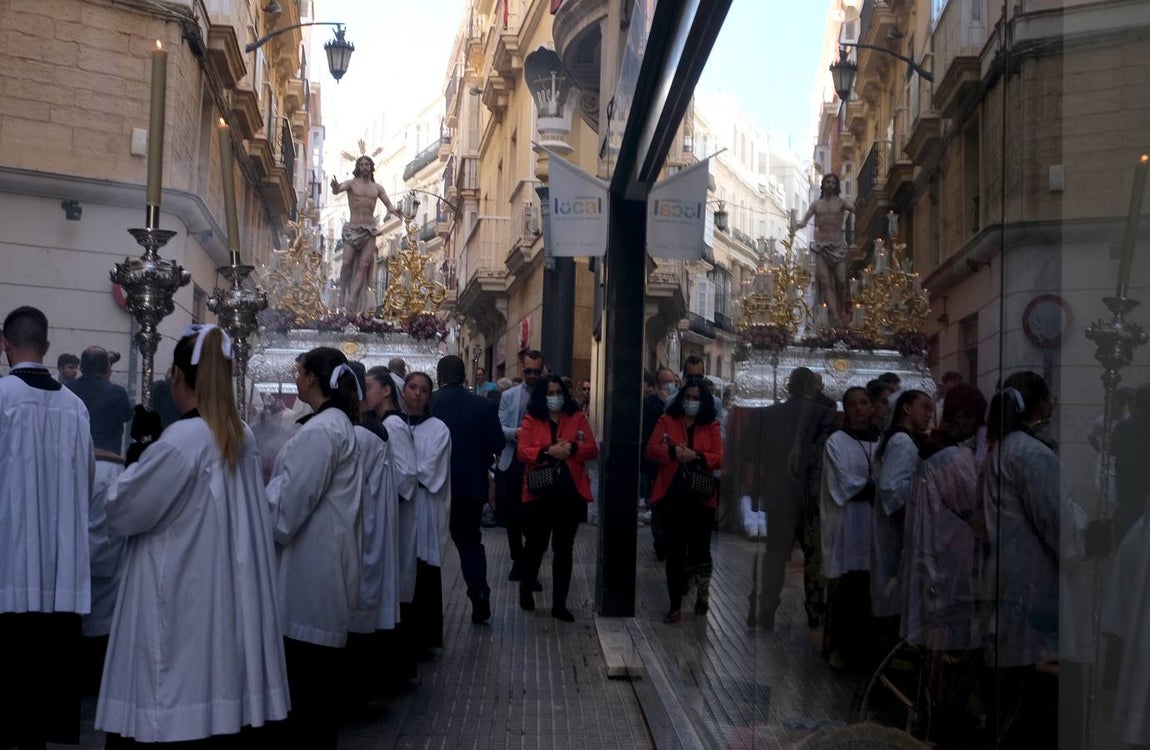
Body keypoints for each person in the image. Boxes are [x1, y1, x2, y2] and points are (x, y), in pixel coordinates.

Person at [97, 324, 288, 747]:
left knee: (170, 694)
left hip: (178, 591)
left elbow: (122, 510)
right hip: (221, 592)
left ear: (178, 376)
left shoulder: (183, 440)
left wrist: (140, 454)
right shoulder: (242, 435)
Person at [0, 306, 93, 749]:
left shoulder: (1, 398)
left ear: (5, 345)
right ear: (48, 347)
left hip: (8, 563)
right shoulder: (76, 408)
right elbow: (87, 481)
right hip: (59, 567)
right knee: (45, 700)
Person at [266, 347, 364, 748]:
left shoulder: (323, 431)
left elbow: (290, 507)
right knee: (314, 692)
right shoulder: (331, 424)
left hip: (311, 572)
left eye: (299, 371)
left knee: (307, 694)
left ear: (313, 378)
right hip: (320, 565)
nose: (295, 377)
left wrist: (252, 509)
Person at [980, 372, 1084, 746]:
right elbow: (1056, 521)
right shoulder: (1030, 452)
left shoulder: (1004, 448)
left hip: (1009, 574)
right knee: (1024, 689)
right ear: (1040, 404)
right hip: (1030, 579)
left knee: (1011, 682)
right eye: (1050, 397)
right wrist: (1087, 539)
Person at [901, 384, 987, 653]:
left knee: (931, 635)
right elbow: (975, 506)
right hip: (949, 558)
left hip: (928, 552)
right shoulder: (955, 458)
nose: (976, 430)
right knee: (949, 640)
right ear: (962, 417)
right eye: (974, 421)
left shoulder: (929, 451)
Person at [752, 367, 836, 632]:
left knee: (776, 553)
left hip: (779, 495)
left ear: (788, 386)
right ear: (814, 388)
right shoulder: (826, 415)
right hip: (813, 496)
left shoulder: (769, 414)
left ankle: (767, 606)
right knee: (813, 555)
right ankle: (814, 610)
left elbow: (751, 453)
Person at [517, 375, 599, 621]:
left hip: (569, 493)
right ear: (543, 396)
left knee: (564, 550)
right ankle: (526, 589)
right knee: (535, 547)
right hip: (539, 493)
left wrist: (573, 448)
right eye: (550, 393)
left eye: (559, 392)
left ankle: (559, 604)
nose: (556, 397)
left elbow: (592, 448)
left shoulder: (577, 417)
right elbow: (523, 451)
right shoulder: (532, 419)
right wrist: (547, 451)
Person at [431, 355, 504, 624]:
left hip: (435, 488)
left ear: (439, 377)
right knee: (471, 542)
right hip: (471, 487)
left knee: (429, 548)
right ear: (465, 378)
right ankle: (479, 591)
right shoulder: (483, 406)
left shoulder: (430, 403)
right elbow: (498, 443)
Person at [645, 377, 722, 624]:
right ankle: (675, 605)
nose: (691, 402)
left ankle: (702, 592)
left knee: (701, 549)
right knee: (675, 551)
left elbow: (719, 457)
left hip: (701, 496)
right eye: (687, 397)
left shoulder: (710, 426)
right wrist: (670, 452)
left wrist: (696, 456)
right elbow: (651, 449)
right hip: (672, 495)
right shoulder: (666, 421)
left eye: (696, 398)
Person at [343, 363, 398, 706]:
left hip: (362, 533)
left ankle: (361, 695)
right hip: (365, 532)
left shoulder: (362, 436)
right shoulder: (366, 433)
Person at [820, 386, 879, 670]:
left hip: (875, 527)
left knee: (869, 591)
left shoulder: (884, 441)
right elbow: (841, 483)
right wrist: (878, 489)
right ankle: (838, 651)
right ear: (846, 409)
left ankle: (865, 652)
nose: (859, 409)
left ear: (872, 407)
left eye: (864, 403)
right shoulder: (837, 441)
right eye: (853, 404)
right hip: (847, 526)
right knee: (845, 590)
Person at [872, 390, 934, 628]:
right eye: (925, 407)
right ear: (907, 408)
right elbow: (891, 488)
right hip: (896, 529)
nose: (930, 414)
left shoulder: (902, 439)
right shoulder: (902, 442)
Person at [399, 372, 452, 651]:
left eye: (423, 389)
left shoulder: (438, 429)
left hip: (423, 507)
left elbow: (431, 471)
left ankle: (424, 638)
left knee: (423, 569)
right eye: (412, 387)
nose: (417, 394)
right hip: (398, 509)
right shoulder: (391, 424)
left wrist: (402, 476)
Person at [329, 155, 402, 312]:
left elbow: (388, 204)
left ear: (371, 167)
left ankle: (353, 297)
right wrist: (335, 187)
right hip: (352, 229)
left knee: (364, 265)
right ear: (357, 167)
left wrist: (396, 211)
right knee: (347, 262)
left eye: (367, 164)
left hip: (369, 230)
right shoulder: (351, 184)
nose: (364, 167)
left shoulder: (377, 188)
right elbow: (338, 189)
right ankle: (342, 292)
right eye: (361, 164)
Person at [497, 350, 545, 585]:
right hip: (514, 462)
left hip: (538, 465)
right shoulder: (510, 396)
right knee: (513, 517)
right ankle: (518, 560)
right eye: (528, 371)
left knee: (535, 518)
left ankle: (531, 568)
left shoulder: (548, 395)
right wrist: (515, 433)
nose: (533, 375)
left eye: (537, 371)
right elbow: (500, 426)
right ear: (522, 369)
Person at [796, 173, 855, 328]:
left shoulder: (841, 203)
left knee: (841, 281)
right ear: (823, 185)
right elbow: (804, 221)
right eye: (827, 182)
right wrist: (796, 224)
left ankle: (841, 310)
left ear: (836, 186)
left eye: (833, 183)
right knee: (824, 282)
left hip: (837, 246)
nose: (830, 185)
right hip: (821, 247)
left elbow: (854, 208)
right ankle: (835, 315)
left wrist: (860, 206)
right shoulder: (816, 205)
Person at [67, 346, 133, 456]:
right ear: (107, 368)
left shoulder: (68, 389)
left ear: (82, 367)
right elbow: (127, 415)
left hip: (74, 455)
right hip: (106, 458)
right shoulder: (117, 392)